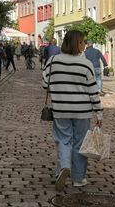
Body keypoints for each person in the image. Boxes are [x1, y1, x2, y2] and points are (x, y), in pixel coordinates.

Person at [42, 30, 102, 190]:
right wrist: (99, 111)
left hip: (60, 109)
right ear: (78, 44)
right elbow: (92, 91)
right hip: (82, 111)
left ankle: (64, 167)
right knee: (80, 143)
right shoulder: (86, 64)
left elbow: (44, 83)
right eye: (83, 41)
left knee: (63, 139)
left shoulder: (53, 61)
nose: (84, 44)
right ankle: (78, 178)